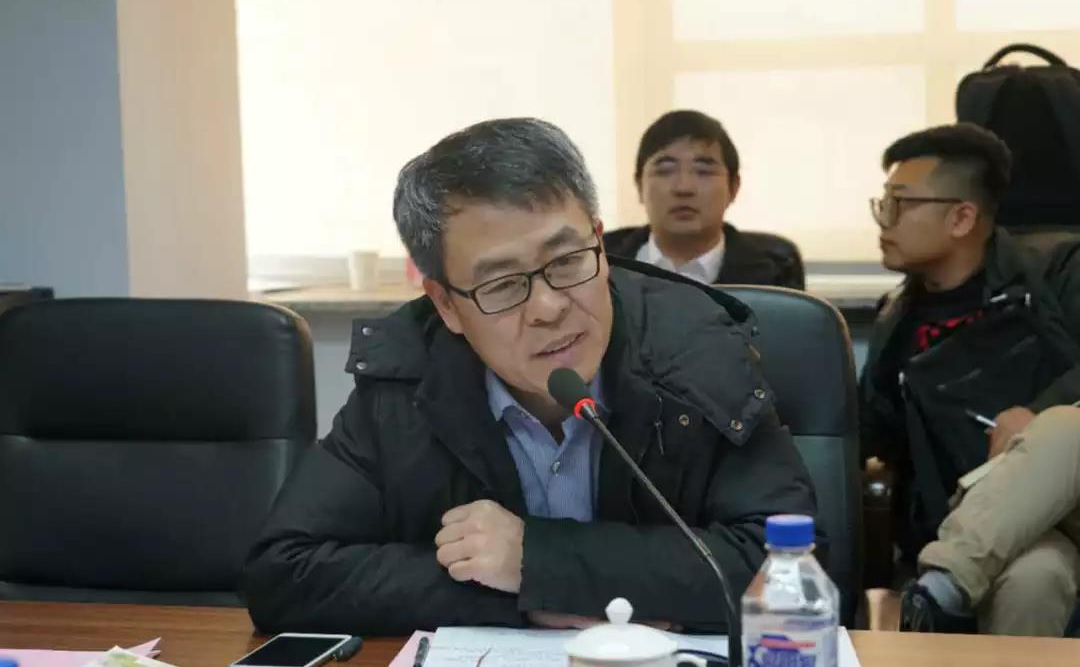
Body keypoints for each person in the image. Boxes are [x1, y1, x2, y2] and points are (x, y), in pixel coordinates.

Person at [244, 118, 817, 635]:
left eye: (567, 261)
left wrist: (541, 562)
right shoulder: (406, 378)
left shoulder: (697, 349)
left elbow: (793, 571)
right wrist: (521, 598)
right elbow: (285, 572)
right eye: (501, 284)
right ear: (445, 304)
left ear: (599, 241)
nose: (548, 307)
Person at [857, 123, 1080, 635]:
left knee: (1064, 427)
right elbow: (868, 434)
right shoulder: (897, 320)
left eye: (899, 203)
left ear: (961, 217)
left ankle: (944, 583)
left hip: (1070, 498)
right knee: (1034, 579)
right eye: (883, 203)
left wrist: (1037, 417)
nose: (884, 220)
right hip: (992, 523)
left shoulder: (1058, 272)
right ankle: (944, 588)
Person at [603, 110, 804, 289]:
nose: (684, 188)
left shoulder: (774, 277)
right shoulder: (598, 263)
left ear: (733, 187)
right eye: (665, 171)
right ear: (639, 186)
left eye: (703, 171)